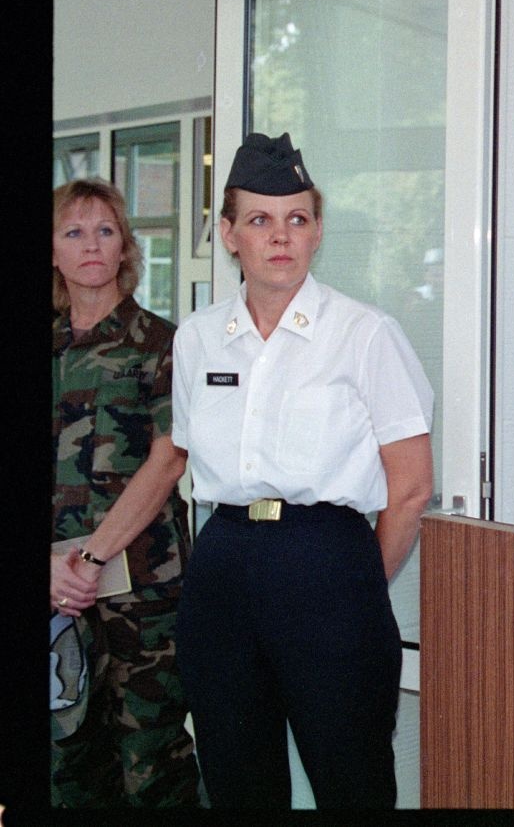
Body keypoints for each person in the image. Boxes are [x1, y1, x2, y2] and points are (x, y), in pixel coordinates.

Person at [171, 132, 434, 808]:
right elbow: (187, 450)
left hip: (328, 561)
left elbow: (408, 490)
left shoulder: (364, 333)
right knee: (237, 783)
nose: (279, 236)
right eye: (259, 219)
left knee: (352, 783)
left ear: (317, 232)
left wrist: (348, 586)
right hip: (223, 562)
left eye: (297, 219)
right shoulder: (197, 339)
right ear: (229, 234)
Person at [50, 178, 202, 806]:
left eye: (106, 231)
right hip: (55, 587)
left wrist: (89, 558)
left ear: (125, 248)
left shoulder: (164, 344)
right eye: (74, 232)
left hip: (143, 590)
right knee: (64, 761)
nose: (92, 245)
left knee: (150, 760)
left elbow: (169, 461)